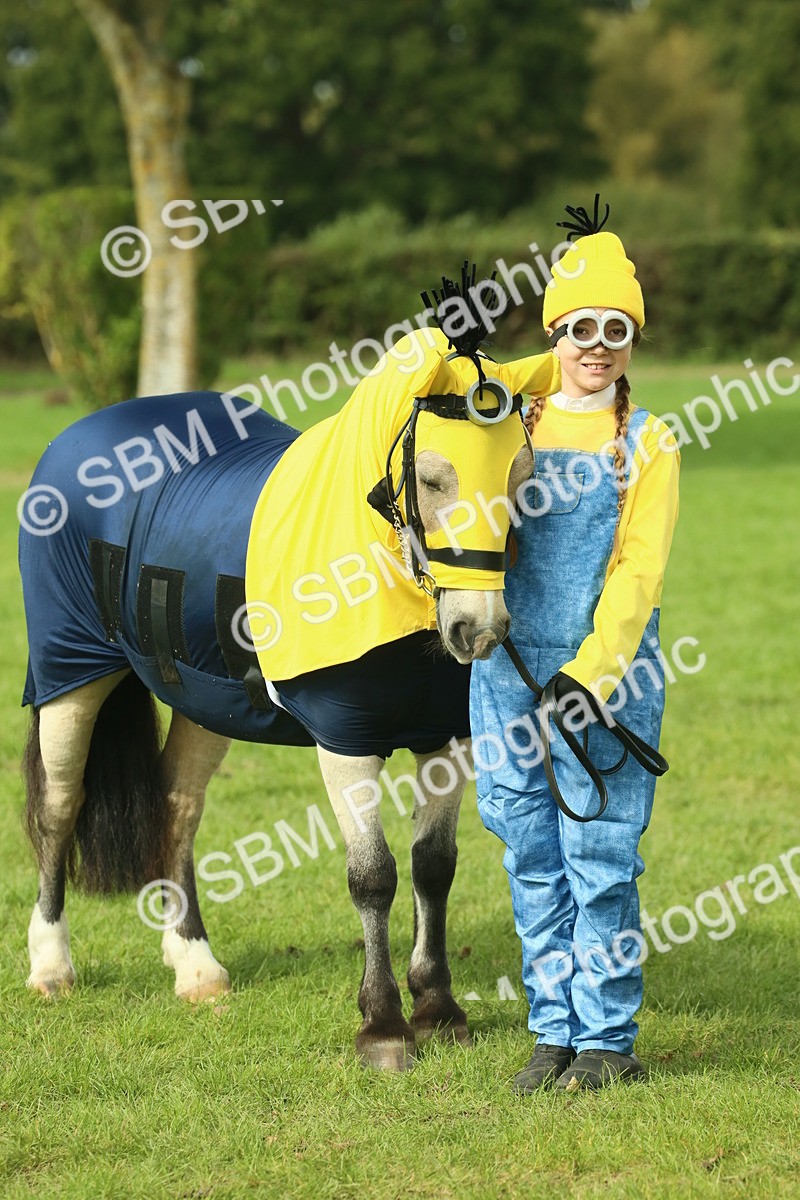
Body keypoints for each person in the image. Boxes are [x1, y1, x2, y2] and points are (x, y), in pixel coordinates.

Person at [470, 199, 681, 1091]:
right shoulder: (505, 419)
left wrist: (590, 675)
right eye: (581, 326)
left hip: (604, 679)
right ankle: (551, 1030)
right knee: (531, 853)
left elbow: (638, 572)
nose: (598, 345)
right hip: (508, 677)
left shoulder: (650, 441)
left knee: (599, 853)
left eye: (616, 328)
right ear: (555, 330)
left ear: (631, 337)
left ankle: (607, 1041)